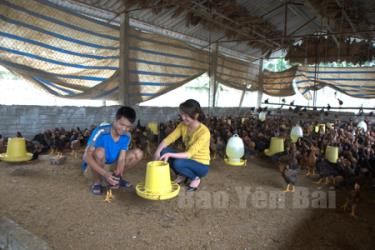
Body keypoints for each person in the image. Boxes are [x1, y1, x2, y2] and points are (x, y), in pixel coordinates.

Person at [82, 106, 143, 195]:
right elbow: (86, 156)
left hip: (110, 167)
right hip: (94, 168)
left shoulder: (127, 135)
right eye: (121, 124)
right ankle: (97, 183)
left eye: (128, 127)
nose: (124, 129)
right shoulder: (101, 131)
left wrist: (118, 174)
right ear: (115, 120)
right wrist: (105, 173)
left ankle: (115, 178)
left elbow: (122, 158)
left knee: (138, 153)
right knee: (99, 152)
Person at [153, 99, 210, 191]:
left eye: (186, 115)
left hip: (201, 165)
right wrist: (157, 152)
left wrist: (170, 155)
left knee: (178, 163)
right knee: (163, 151)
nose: (183, 118)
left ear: (196, 115)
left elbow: (189, 154)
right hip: (188, 160)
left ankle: (195, 178)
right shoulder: (183, 125)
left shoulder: (204, 132)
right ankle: (182, 175)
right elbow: (169, 139)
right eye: (182, 114)